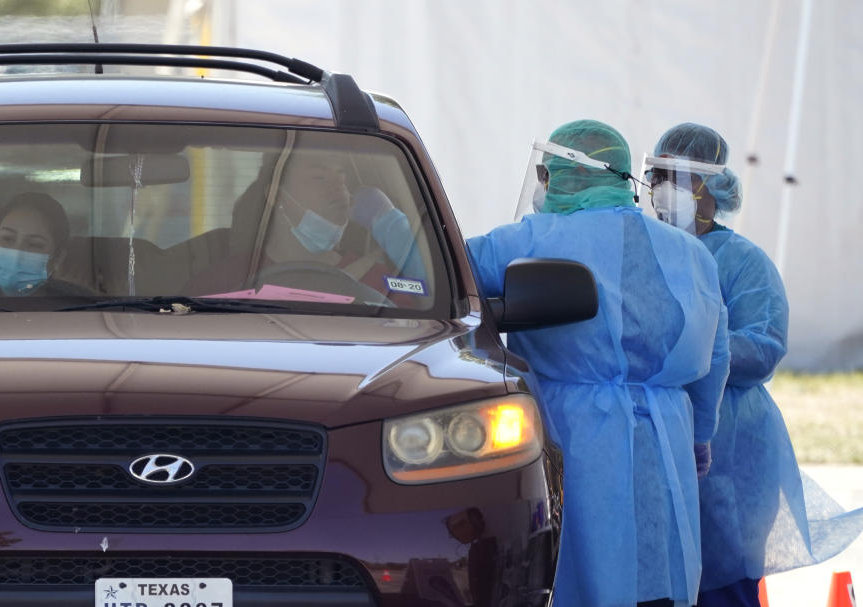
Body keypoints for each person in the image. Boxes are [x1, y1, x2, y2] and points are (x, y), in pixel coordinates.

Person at [467, 119, 730, 607]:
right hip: (668, 432)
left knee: (580, 569)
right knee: (658, 571)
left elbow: (447, 274)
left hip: (576, 429)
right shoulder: (693, 255)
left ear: (566, 175)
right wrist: (700, 433)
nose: (542, 188)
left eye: (547, 176)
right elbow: (716, 353)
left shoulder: (529, 239)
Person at [648, 122, 863, 607]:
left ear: (707, 187)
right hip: (663, 433)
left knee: (725, 582)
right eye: (655, 174)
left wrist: (692, 353)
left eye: (672, 176)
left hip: (731, 443)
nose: (659, 188)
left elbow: (763, 346)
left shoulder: (743, 261)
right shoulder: (649, 249)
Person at [185, 148, 425, 300]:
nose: (338, 188)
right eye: (318, 178)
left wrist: (392, 225)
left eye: (341, 176)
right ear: (277, 195)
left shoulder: (384, 283)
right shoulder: (221, 283)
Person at [0, 192, 76, 296]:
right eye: (7, 238)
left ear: (58, 258)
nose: (16, 253)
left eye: (34, 245)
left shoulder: (80, 306)